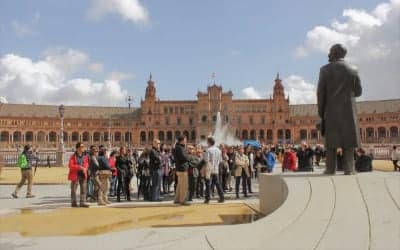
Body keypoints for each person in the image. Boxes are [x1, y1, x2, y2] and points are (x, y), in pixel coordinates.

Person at [317, 43, 362, 175]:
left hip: (330, 111)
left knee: (331, 142)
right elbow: (358, 92)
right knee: (348, 141)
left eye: (330, 52)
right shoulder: (353, 69)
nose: (328, 54)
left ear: (335, 53)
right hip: (349, 111)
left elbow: (320, 93)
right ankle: (349, 168)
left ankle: (330, 169)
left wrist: (321, 112)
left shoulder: (325, 69)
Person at [68, 142, 90, 207]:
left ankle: (82, 202)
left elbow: (86, 164)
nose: (83, 148)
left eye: (83, 147)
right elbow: (71, 165)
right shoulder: (73, 156)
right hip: (75, 175)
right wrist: (80, 167)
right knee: (74, 189)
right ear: (77, 148)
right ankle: (73, 202)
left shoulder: (85, 156)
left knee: (83, 189)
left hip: (83, 174)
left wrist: (85, 168)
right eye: (81, 147)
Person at [204, 137, 224, 203]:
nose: (207, 143)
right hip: (216, 168)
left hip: (209, 168)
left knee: (208, 184)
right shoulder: (218, 150)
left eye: (207, 142)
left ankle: (207, 199)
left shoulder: (208, 150)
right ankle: (222, 197)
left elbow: (206, 160)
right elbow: (220, 160)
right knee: (217, 183)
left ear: (209, 142)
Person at [174, 135, 190, 205]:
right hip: (182, 169)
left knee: (180, 185)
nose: (186, 141)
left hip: (180, 168)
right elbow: (183, 157)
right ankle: (183, 200)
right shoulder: (180, 148)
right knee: (184, 186)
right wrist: (189, 156)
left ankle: (177, 199)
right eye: (185, 140)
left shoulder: (178, 147)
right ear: (182, 141)